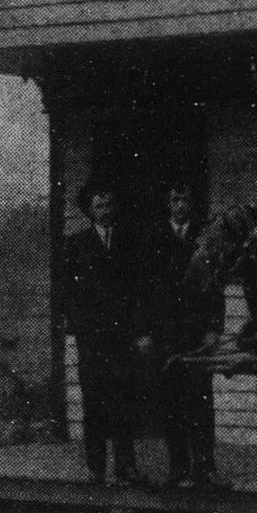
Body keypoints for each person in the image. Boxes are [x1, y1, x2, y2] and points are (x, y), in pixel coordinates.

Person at [139, 183, 228, 489]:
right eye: (175, 198)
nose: (180, 205)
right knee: (171, 401)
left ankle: (206, 468)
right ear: (168, 202)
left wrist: (215, 328)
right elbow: (143, 290)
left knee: (201, 401)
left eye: (185, 198)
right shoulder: (153, 238)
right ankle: (178, 468)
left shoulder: (205, 237)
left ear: (192, 202)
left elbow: (215, 285)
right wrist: (145, 332)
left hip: (196, 332)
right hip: (165, 333)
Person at [62, 180, 148, 486]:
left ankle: (126, 465)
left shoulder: (129, 242)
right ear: (89, 210)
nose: (105, 211)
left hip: (123, 338)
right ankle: (95, 467)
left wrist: (140, 331)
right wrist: (80, 328)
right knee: (94, 403)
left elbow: (139, 289)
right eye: (98, 206)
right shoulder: (75, 245)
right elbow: (68, 293)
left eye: (109, 204)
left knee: (124, 400)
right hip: (92, 340)